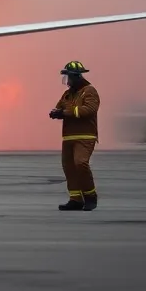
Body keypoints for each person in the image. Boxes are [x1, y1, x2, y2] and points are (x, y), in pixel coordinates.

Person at [50, 60, 100, 211]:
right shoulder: (67, 94)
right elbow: (60, 106)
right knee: (69, 168)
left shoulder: (89, 91)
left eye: (69, 78)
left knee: (80, 163)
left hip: (85, 136)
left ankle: (90, 196)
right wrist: (56, 112)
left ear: (77, 77)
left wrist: (65, 112)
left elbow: (88, 110)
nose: (67, 82)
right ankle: (76, 199)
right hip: (68, 137)